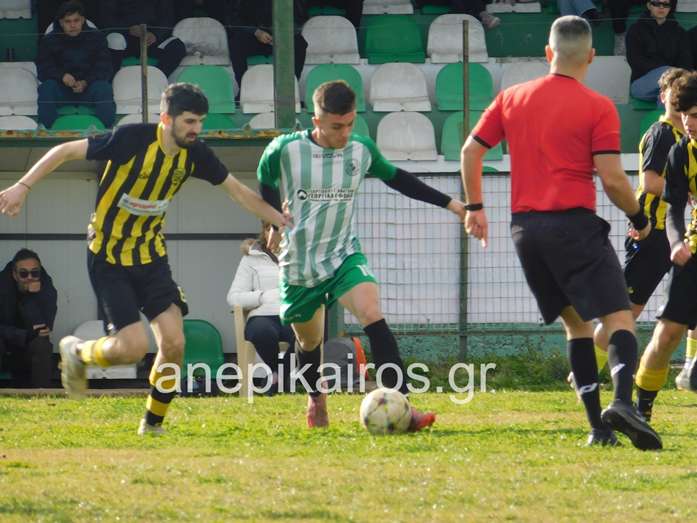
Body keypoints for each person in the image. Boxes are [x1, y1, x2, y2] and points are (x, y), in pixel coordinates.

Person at [0, 83, 286, 435]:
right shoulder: (131, 139)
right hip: (108, 257)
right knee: (131, 349)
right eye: (190, 121)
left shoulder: (196, 154)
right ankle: (78, 354)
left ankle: (152, 424)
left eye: (201, 122)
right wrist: (23, 187)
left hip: (151, 257)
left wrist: (280, 221)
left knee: (174, 343)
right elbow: (64, 151)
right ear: (166, 118)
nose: (196, 129)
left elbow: (238, 192)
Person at [461, 16, 662, 450]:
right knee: (619, 316)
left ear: (548, 53)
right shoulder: (597, 106)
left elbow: (470, 151)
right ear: (591, 56)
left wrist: (475, 208)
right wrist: (639, 218)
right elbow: (612, 179)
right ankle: (622, 403)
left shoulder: (512, 97)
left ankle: (598, 430)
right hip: (574, 225)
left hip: (526, 230)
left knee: (576, 326)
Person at [258, 80, 466, 429]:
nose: (344, 133)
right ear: (317, 121)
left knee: (372, 313)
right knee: (309, 341)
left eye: (350, 124)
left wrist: (451, 203)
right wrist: (273, 223)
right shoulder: (285, 149)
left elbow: (398, 178)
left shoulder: (360, 149)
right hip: (300, 263)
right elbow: (265, 179)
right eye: (336, 126)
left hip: (343, 254)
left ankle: (404, 407)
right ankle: (316, 399)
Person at [587, 68, 697, 402]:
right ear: (664, 98)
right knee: (626, 311)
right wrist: (684, 191)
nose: (679, 106)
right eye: (673, 96)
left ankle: (688, 369)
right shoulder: (663, 134)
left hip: (673, 235)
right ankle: (586, 372)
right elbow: (650, 182)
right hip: (652, 233)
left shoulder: (684, 138)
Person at [633, 71, 697, 421]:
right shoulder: (680, 152)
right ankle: (639, 410)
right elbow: (673, 209)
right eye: (684, 114)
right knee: (668, 332)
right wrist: (675, 243)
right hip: (692, 253)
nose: (688, 123)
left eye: (695, 115)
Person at [227, 221, 296, 393]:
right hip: (263, 315)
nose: (271, 233)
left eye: (277, 228)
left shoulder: (302, 256)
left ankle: (278, 376)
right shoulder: (251, 257)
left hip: (294, 313)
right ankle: (277, 375)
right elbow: (233, 297)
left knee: (310, 334)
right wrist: (263, 296)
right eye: (267, 228)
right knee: (261, 332)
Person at [36, 0, 116, 129]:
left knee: (104, 88)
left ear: (83, 20)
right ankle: (48, 130)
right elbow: (43, 68)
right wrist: (62, 76)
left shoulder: (97, 38)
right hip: (62, 88)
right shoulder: (49, 40)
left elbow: (105, 67)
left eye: (76, 20)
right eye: (68, 21)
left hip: (90, 88)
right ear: (61, 22)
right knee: (46, 88)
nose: (72, 25)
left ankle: (107, 130)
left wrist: (86, 82)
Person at [0, 249, 57, 388]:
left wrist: (29, 296)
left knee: (42, 344)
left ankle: (42, 394)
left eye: (35, 273)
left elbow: (42, 327)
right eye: (24, 273)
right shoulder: (2, 287)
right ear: (14, 275)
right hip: (6, 341)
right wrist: (23, 335)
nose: (30, 277)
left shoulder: (47, 289)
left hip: (30, 344)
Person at [229, 0, 308, 91]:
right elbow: (233, 19)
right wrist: (256, 32)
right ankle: (244, 89)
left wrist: (283, 33)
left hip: (282, 38)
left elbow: (300, 17)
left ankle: (291, 88)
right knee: (236, 44)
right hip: (254, 37)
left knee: (300, 43)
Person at [626, 0, 692, 102]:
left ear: (670, 7)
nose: (661, 7)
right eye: (656, 3)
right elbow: (634, 59)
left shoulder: (679, 32)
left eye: (666, 4)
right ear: (649, 5)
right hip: (642, 83)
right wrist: (668, 71)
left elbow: (685, 60)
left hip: (673, 83)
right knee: (671, 75)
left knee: (671, 93)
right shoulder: (635, 29)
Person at [100, 0, 187, 77]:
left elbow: (167, 19)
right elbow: (106, 19)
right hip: (125, 37)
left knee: (177, 46)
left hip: (152, 39)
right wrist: (129, 28)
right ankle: (112, 82)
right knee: (114, 40)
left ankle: (155, 79)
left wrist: (155, 34)